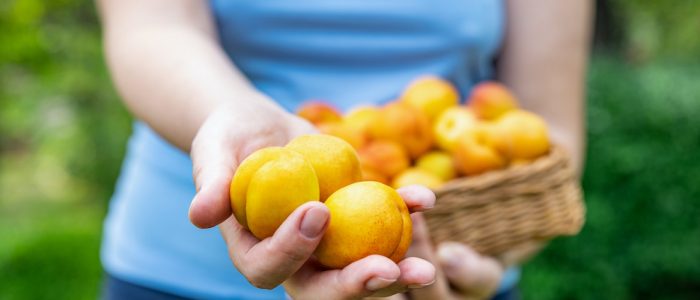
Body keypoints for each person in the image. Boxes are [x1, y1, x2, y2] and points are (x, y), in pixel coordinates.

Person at [98, 0, 591, 299]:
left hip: (442, 271)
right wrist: (232, 112)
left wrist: (495, 259)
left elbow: (549, 137)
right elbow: (151, 27)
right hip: (178, 274)